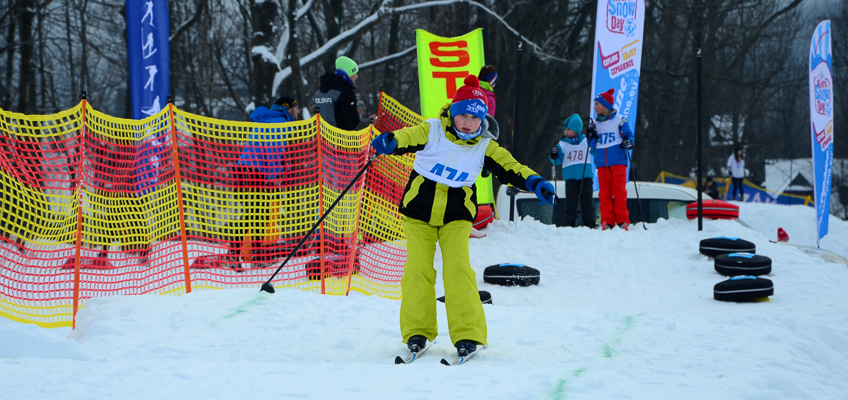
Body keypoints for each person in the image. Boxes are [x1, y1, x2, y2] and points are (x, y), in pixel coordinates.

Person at [370, 75, 554, 357]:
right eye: (463, 115)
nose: (468, 122)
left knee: (458, 270)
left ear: (483, 120)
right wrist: (391, 141)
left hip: (456, 217)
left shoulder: (485, 146)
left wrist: (534, 181)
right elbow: (408, 137)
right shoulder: (433, 130)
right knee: (418, 270)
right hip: (419, 214)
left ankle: (468, 335)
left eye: (475, 117)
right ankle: (417, 331)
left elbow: (511, 166)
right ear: (453, 114)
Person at [228, 95, 296, 265]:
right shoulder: (278, 122)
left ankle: (257, 256)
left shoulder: (271, 120)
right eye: (296, 107)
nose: (298, 110)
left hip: (250, 171)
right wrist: (275, 177)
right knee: (253, 214)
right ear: (287, 108)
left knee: (261, 213)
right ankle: (233, 254)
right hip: (253, 173)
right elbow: (272, 150)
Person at [587, 88, 634, 231]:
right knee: (604, 192)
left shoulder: (620, 119)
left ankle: (622, 220)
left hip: (618, 161)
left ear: (606, 105)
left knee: (619, 191)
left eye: (597, 104)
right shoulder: (596, 123)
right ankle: (607, 220)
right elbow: (592, 145)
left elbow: (629, 136)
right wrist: (590, 135)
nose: (594, 107)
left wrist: (628, 142)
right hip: (601, 163)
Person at [550, 114, 596, 228]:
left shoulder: (585, 141)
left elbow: (595, 149)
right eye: (564, 129)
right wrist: (553, 155)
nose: (565, 132)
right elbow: (558, 161)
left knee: (587, 201)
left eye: (568, 129)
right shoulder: (562, 144)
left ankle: (589, 222)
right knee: (570, 202)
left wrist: (593, 135)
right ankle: (568, 223)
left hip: (586, 176)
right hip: (570, 178)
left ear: (576, 130)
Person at [314, 56, 374, 131]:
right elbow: (353, 124)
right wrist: (370, 122)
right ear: (349, 74)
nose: (357, 77)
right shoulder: (345, 93)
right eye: (355, 73)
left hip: (321, 140)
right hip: (340, 140)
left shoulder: (319, 92)